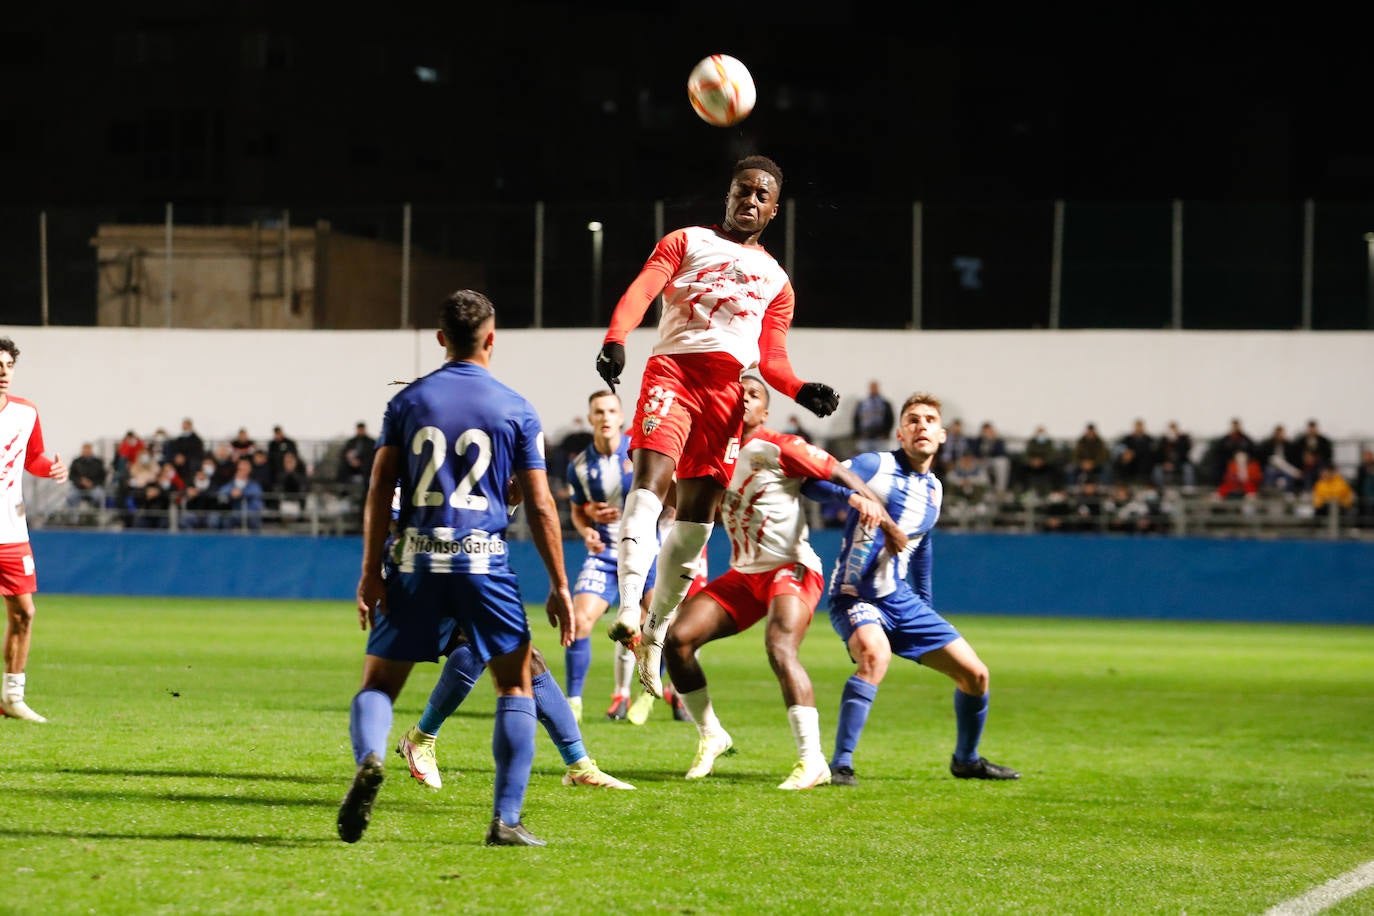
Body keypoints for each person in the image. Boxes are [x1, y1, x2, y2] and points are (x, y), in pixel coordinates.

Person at [592, 155, 841, 698]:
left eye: (761, 196)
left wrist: (800, 389)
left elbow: (772, 358)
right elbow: (642, 290)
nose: (749, 200)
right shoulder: (686, 241)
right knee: (649, 485)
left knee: (697, 524)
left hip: (726, 392)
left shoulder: (777, 281)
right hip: (672, 372)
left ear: (773, 210)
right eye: (742, 190)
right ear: (728, 195)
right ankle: (629, 605)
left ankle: (656, 631)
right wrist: (616, 338)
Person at [339, 289, 574, 848]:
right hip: (482, 561)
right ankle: (506, 820)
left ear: (441, 339)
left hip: (414, 558)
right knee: (514, 683)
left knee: (379, 685)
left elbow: (379, 488)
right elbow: (541, 505)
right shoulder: (516, 408)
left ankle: (371, 757)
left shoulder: (407, 403)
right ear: (491, 339)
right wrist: (560, 584)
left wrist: (370, 571)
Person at [664, 377, 904, 787]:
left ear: (765, 411)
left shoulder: (781, 446)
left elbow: (836, 472)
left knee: (780, 647)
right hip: (745, 574)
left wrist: (883, 518)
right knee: (678, 640)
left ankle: (813, 761)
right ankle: (712, 734)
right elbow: (687, 504)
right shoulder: (712, 455)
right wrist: (655, 479)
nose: (743, 399)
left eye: (753, 395)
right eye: (737, 394)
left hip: (791, 567)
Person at [806, 391, 1020, 785]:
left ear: (942, 436)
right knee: (875, 656)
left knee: (976, 676)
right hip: (854, 595)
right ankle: (841, 765)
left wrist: (924, 605)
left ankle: (966, 760)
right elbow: (812, 483)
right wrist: (853, 497)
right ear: (900, 433)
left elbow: (921, 546)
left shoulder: (935, 488)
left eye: (930, 421)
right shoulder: (874, 465)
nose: (922, 426)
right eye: (913, 420)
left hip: (901, 600)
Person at [390, 481, 632, 793]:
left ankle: (580, 767)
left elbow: (502, 512)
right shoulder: (414, 469)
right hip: (417, 582)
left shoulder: (479, 472)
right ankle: (421, 741)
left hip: (464, 574)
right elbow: (398, 529)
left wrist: (510, 497)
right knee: (489, 643)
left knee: (525, 658)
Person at [562, 388, 659, 723]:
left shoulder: (640, 452)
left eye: (611, 411)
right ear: (590, 418)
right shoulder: (578, 466)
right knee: (579, 621)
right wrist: (585, 528)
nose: (605, 417)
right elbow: (577, 511)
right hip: (604, 553)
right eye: (599, 412)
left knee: (659, 625)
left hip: (645, 550)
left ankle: (648, 696)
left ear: (621, 418)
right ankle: (573, 703)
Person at [0, 337, 69, 722]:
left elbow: (33, 458)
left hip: (11, 532)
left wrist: (51, 468)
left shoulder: (26, 413)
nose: (3, 372)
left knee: (24, 613)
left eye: (8, 365)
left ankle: (12, 698)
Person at [216, 456, 265, 530]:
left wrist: (242, 493)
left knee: (254, 519)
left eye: (245, 466)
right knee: (225, 519)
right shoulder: (231, 484)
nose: (243, 470)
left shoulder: (254, 485)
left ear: (250, 469)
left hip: (250, 515)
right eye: (241, 467)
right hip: (234, 514)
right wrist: (231, 492)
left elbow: (257, 494)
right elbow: (222, 492)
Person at [66, 442, 109, 519]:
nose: (85, 451)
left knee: (100, 496)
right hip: (79, 488)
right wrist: (80, 481)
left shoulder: (98, 462)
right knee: (70, 497)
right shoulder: (76, 461)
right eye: (84, 449)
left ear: (91, 450)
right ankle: (74, 519)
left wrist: (92, 483)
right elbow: (71, 476)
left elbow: (102, 477)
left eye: (87, 449)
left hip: (94, 487)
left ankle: (98, 518)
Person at [852, 380, 895, 453]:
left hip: (880, 438)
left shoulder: (884, 404)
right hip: (865, 437)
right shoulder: (863, 404)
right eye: (872, 387)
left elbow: (890, 419)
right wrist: (858, 434)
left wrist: (886, 433)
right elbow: (856, 419)